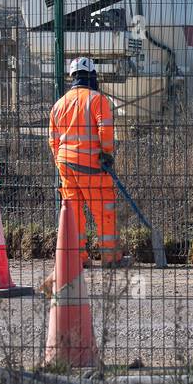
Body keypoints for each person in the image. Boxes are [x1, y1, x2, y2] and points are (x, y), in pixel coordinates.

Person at [47, 57, 130, 277]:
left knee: (73, 213)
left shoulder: (59, 104)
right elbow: (105, 129)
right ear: (93, 76)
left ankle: (77, 258)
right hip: (92, 165)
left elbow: (53, 140)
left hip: (65, 164)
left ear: (71, 78)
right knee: (104, 210)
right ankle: (110, 258)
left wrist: (60, 161)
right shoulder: (97, 99)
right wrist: (106, 153)